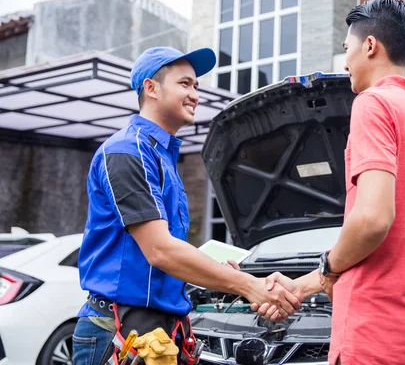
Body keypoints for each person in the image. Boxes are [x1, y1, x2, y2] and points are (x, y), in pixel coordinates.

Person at [73, 46, 300, 365]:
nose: (195, 94)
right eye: (185, 84)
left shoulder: (161, 155)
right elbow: (160, 250)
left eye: (196, 85)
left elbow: (158, 253)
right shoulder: (128, 151)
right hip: (119, 330)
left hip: (157, 328)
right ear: (151, 88)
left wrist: (210, 268)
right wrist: (250, 286)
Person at [254, 0, 405, 364]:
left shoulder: (374, 104)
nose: (345, 63)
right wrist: (305, 284)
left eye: (347, 49)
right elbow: (383, 251)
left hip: (375, 330)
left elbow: (372, 220)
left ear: (370, 46)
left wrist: (328, 265)